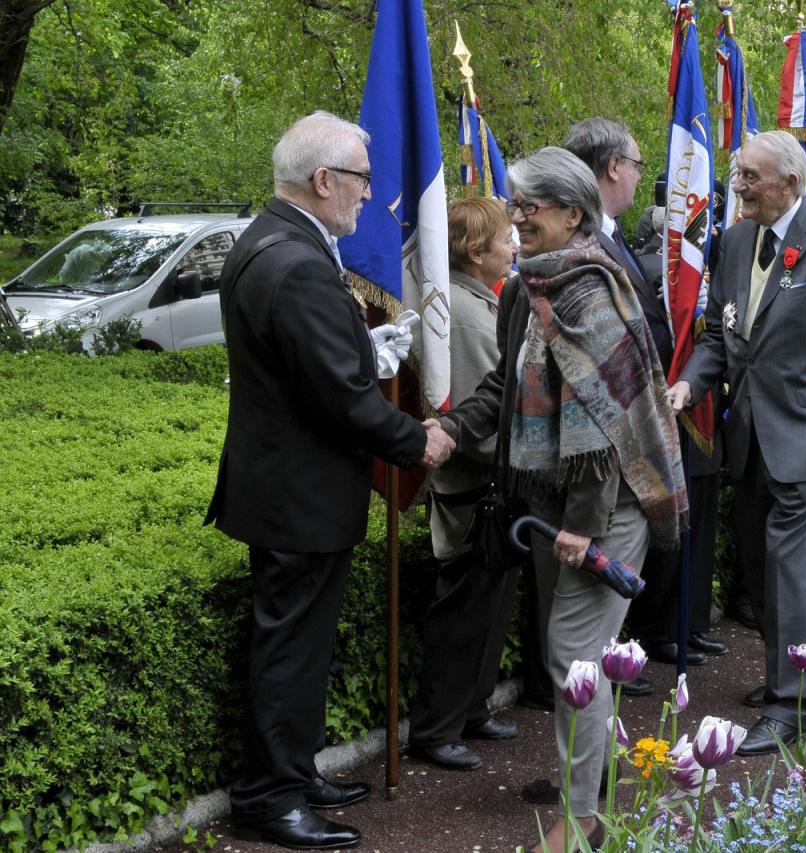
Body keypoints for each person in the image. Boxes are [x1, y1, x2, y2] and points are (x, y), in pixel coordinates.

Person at [206, 111, 453, 850]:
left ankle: (294, 771)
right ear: (323, 180)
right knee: (289, 652)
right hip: (299, 495)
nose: (369, 198)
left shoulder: (273, 241)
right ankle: (268, 797)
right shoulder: (299, 263)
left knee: (300, 648)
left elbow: (308, 364)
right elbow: (341, 398)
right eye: (362, 182)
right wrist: (418, 439)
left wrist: (360, 342)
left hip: (289, 486)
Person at [442, 146, 686, 852]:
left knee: (575, 659)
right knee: (582, 652)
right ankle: (597, 777)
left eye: (530, 208)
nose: (517, 221)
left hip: (606, 505)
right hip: (548, 501)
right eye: (514, 207)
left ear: (574, 213)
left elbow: (607, 429)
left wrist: (583, 526)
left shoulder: (590, 291)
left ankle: (583, 816)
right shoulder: (527, 288)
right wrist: (449, 429)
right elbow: (501, 388)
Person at [669, 130, 806, 755]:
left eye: (751, 176)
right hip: (751, 438)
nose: (739, 185)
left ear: (792, 181)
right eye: (738, 174)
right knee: (763, 573)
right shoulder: (734, 241)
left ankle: (789, 708)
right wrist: (688, 384)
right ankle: (800, 672)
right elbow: (720, 336)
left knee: (791, 573)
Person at [563, 119, 702, 679]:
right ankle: (604, 666)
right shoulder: (585, 242)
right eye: (639, 165)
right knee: (583, 617)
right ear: (615, 167)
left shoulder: (611, 234)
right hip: (608, 443)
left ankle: (633, 646)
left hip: (635, 424)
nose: (640, 175)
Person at [406, 198, 520, 772]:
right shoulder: (469, 315)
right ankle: (435, 728)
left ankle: (470, 709)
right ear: (476, 253)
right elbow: (479, 414)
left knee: (488, 606)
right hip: (475, 488)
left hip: (484, 488)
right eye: (506, 239)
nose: (516, 245)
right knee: (463, 611)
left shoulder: (477, 301)